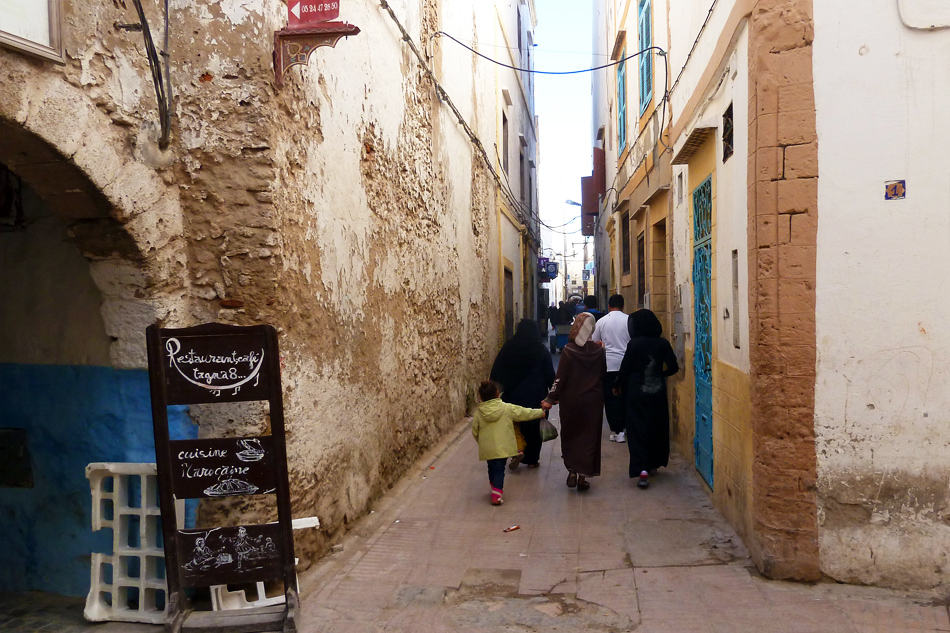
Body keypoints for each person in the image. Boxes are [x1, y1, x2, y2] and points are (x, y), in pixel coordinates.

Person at [541, 312, 606, 491]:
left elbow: (559, 378)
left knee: (571, 435)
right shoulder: (599, 350)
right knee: (589, 437)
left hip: (571, 401)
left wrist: (550, 398)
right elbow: (603, 375)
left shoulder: (569, 350)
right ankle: (583, 477)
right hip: (593, 401)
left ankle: (572, 470)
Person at [615, 309, 679, 489]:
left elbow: (625, 369)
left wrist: (617, 385)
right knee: (656, 427)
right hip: (657, 393)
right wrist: (660, 374)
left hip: (636, 393)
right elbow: (674, 367)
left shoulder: (634, 344)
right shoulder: (663, 343)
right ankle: (653, 465)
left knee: (638, 429)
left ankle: (641, 468)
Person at [490, 319, 556, 470]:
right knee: (534, 428)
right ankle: (532, 460)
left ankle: (517, 451)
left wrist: (495, 391)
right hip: (536, 396)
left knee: (515, 425)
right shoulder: (540, 350)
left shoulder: (508, 348)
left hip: (513, 395)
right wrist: (552, 395)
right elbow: (550, 375)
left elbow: (496, 371)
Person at [472, 380, 545, 505]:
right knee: (500, 469)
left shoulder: (479, 413)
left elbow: (475, 431)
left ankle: (494, 486)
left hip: (487, 447)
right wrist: (540, 413)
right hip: (503, 447)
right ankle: (497, 494)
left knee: (491, 467)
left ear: (480, 397)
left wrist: (481, 442)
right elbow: (524, 413)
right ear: (497, 393)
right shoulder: (507, 408)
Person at [592, 294, 630, 443]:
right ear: (623, 305)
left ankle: (617, 430)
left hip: (609, 366)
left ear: (609, 306)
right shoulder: (629, 320)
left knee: (610, 398)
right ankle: (625, 427)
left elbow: (595, 342)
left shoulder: (602, 322)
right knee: (625, 396)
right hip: (626, 365)